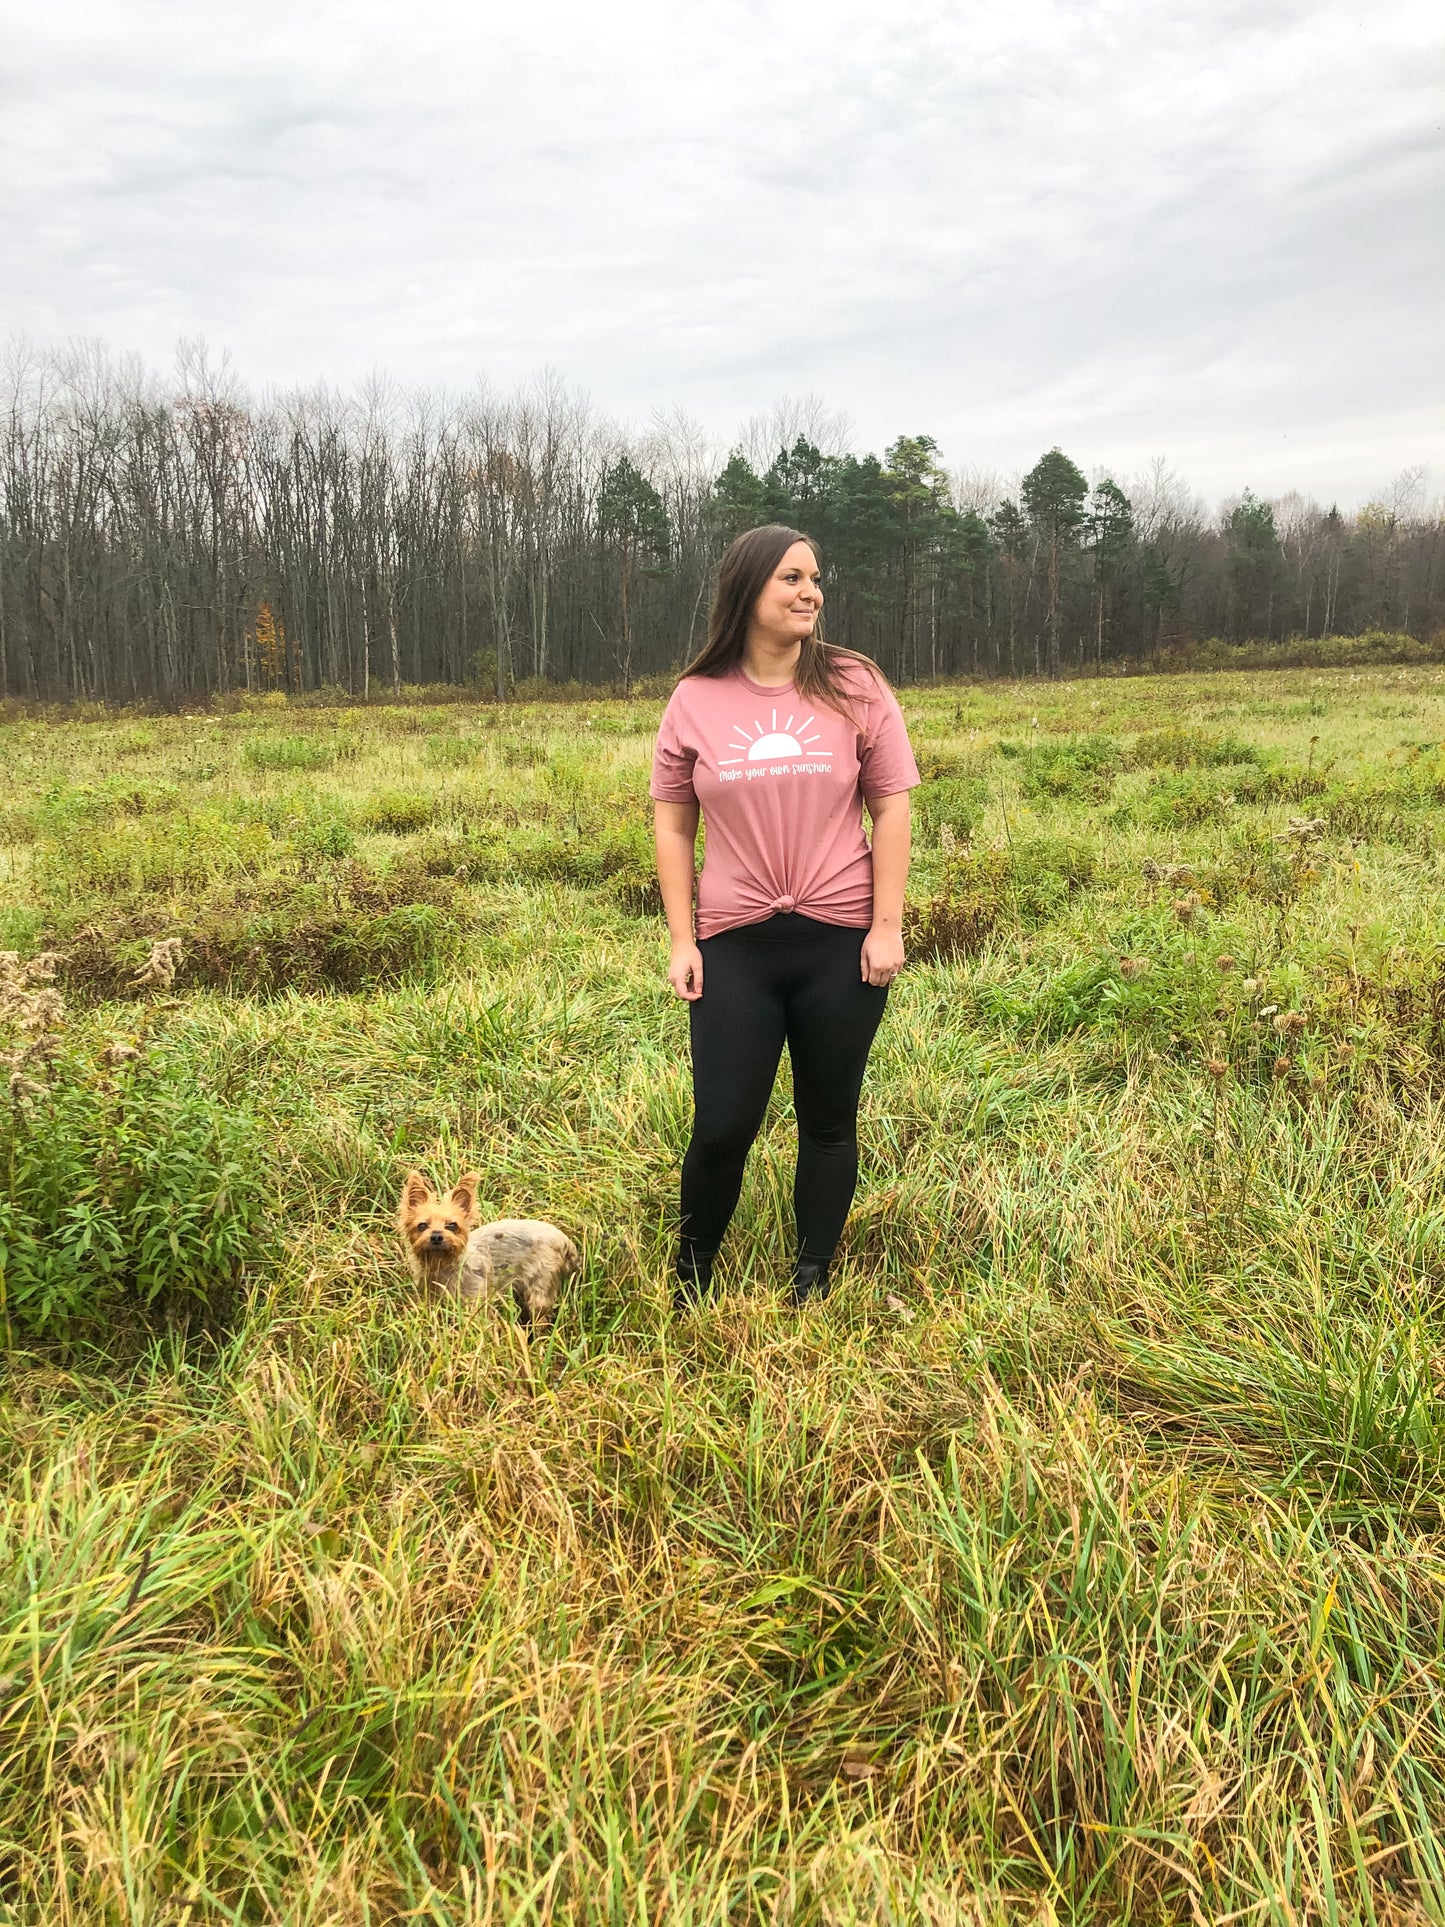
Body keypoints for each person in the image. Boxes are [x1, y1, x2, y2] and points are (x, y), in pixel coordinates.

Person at [650, 523, 920, 1310]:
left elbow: (891, 808)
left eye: (815, 578)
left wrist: (886, 923)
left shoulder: (852, 683)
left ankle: (812, 1280)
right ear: (748, 590)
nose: (810, 593)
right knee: (722, 1124)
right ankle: (691, 1277)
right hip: (735, 944)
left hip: (841, 940)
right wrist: (681, 937)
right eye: (791, 579)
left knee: (829, 1119)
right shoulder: (696, 698)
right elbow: (672, 821)